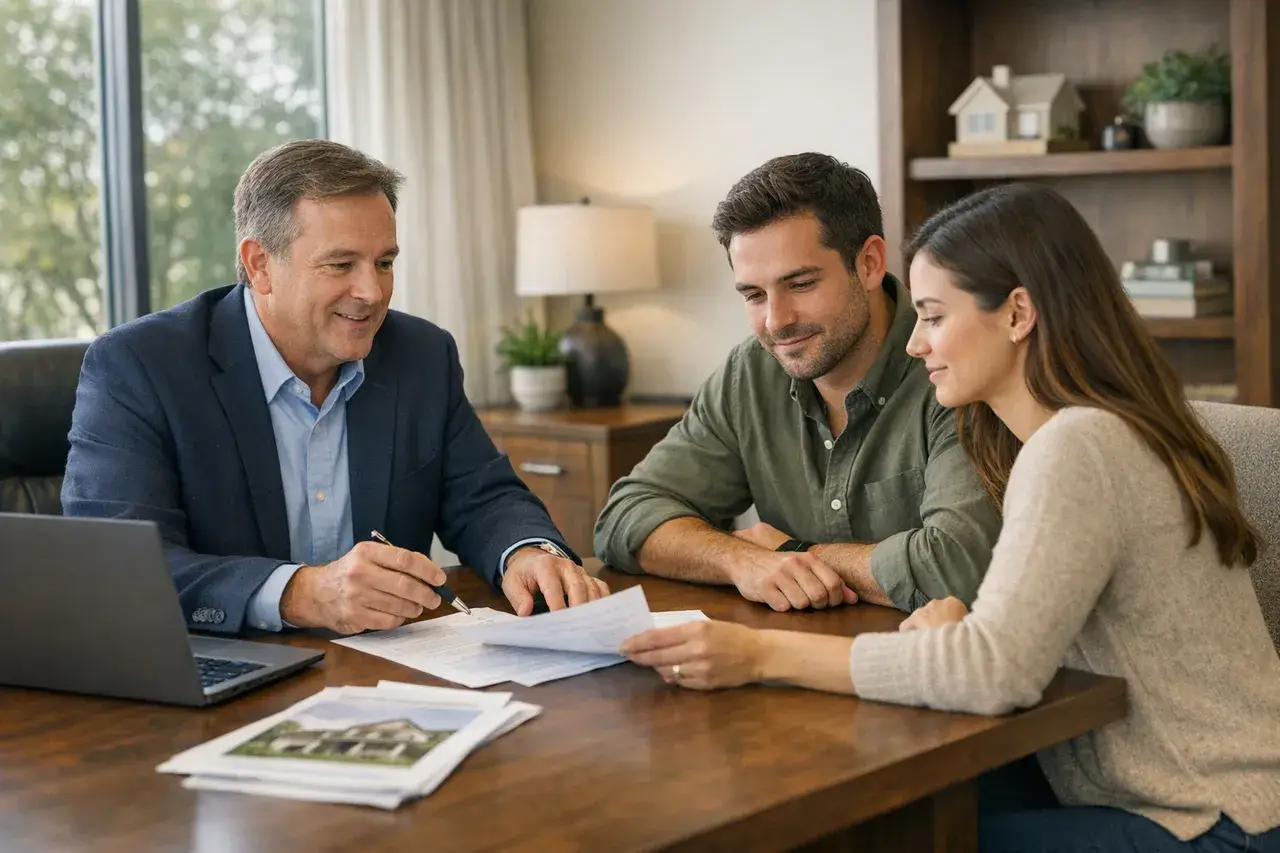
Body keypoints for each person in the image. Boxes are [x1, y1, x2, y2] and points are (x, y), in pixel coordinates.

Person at [622, 183, 1280, 851]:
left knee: (884, 834)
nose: (914, 343)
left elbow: (994, 672)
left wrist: (759, 653)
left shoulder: (1078, 446)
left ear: (1018, 312)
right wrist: (964, 630)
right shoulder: (1072, 434)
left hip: (1219, 822)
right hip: (1175, 799)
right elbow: (1013, 638)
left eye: (933, 316)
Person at [62, 139, 607, 637]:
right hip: (216, 672)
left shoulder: (421, 355)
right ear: (260, 265)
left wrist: (527, 551)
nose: (371, 292)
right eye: (341, 264)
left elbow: (483, 495)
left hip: (390, 671)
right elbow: (115, 566)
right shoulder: (139, 366)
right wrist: (299, 594)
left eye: (385, 263)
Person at [594, 153, 1001, 613]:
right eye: (753, 294)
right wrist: (740, 560)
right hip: (785, 663)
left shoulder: (952, 367)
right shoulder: (750, 373)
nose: (776, 321)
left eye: (801, 284)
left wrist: (792, 554)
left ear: (868, 263)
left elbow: (959, 570)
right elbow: (625, 517)